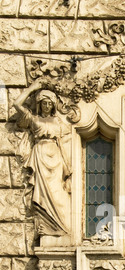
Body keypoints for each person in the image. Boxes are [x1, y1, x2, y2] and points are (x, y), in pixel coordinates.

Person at [14, 79, 71, 237]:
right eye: (44, 103)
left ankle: (59, 224)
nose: (47, 106)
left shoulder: (59, 122)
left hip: (56, 157)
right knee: (43, 193)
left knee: (57, 191)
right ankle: (47, 224)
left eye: (49, 103)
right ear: (40, 104)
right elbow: (17, 104)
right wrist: (32, 88)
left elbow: (65, 141)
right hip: (40, 155)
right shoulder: (34, 119)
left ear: (53, 105)